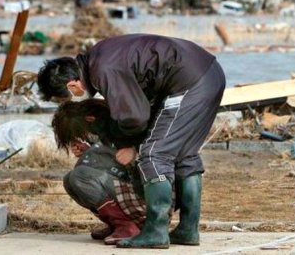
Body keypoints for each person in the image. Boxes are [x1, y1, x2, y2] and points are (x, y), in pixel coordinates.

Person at [38, 33, 226, 249]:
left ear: (72, 85)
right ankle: (187, 229)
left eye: (65, 97)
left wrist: (134, 148)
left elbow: (135, 117)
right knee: (185, 154)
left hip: (189, 81)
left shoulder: (103, 69)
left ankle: (155, 231)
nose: (70, 101)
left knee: (154, 155)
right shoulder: (99, 58)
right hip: (207, 73)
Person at [52, 99, 145, 245]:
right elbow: (115, 160)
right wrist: (89, 151)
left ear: (90, 119)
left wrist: (133, 150)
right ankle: (117, 224)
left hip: (148, 197)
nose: (84, 137)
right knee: (69, 180)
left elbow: (139, 158)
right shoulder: (105, 129)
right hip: (132, 191)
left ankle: (127, 226)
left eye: (81, 133)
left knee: (80, 176)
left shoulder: (122, 125)